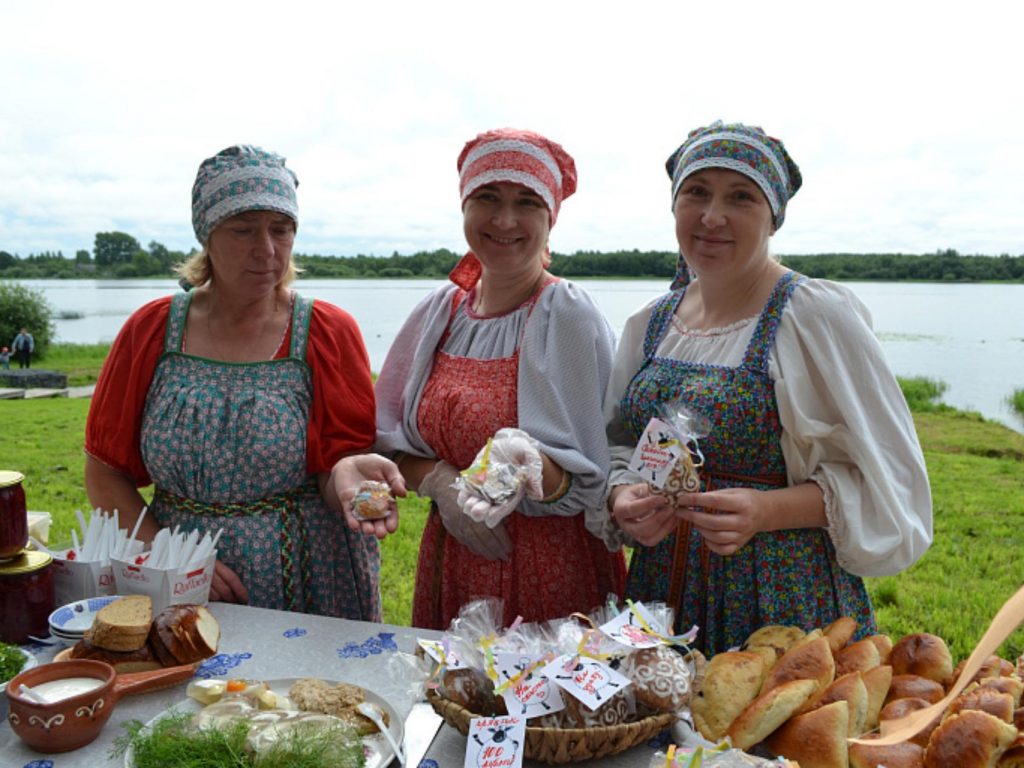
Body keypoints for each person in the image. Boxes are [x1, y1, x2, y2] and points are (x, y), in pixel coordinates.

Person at [601, 121, 933, 656]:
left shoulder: (813, 317)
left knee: (769, 712)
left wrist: (766, 510)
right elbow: (618, 441)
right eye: (696, 192)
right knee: (653, 710)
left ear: (773, 217)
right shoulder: (651, 322)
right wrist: (623, 493)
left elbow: (890, 480)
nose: (712, 216)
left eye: (741, 197)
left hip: (778, 595)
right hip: (659, 590)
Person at [85, 145, 401, 621]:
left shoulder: (326, 332)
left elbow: (334, 468)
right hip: (178, 578)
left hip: (308, 575)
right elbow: (105, 473)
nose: (266, 249)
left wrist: (346, 475)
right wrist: (174, 560)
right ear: (207, 235)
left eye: (281, 229)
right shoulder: (151, 331)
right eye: (243, 229)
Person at [375, 128, 627, 630]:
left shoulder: (566, 314)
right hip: (454, 556)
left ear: (550, 218)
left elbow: (597, 475)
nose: (505, 219)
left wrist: (531, 468)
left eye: (527, 202)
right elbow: (387, 445)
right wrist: (441, 483)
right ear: (464, 206)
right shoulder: (440, 312)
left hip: (551, 568)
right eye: (487, 197)